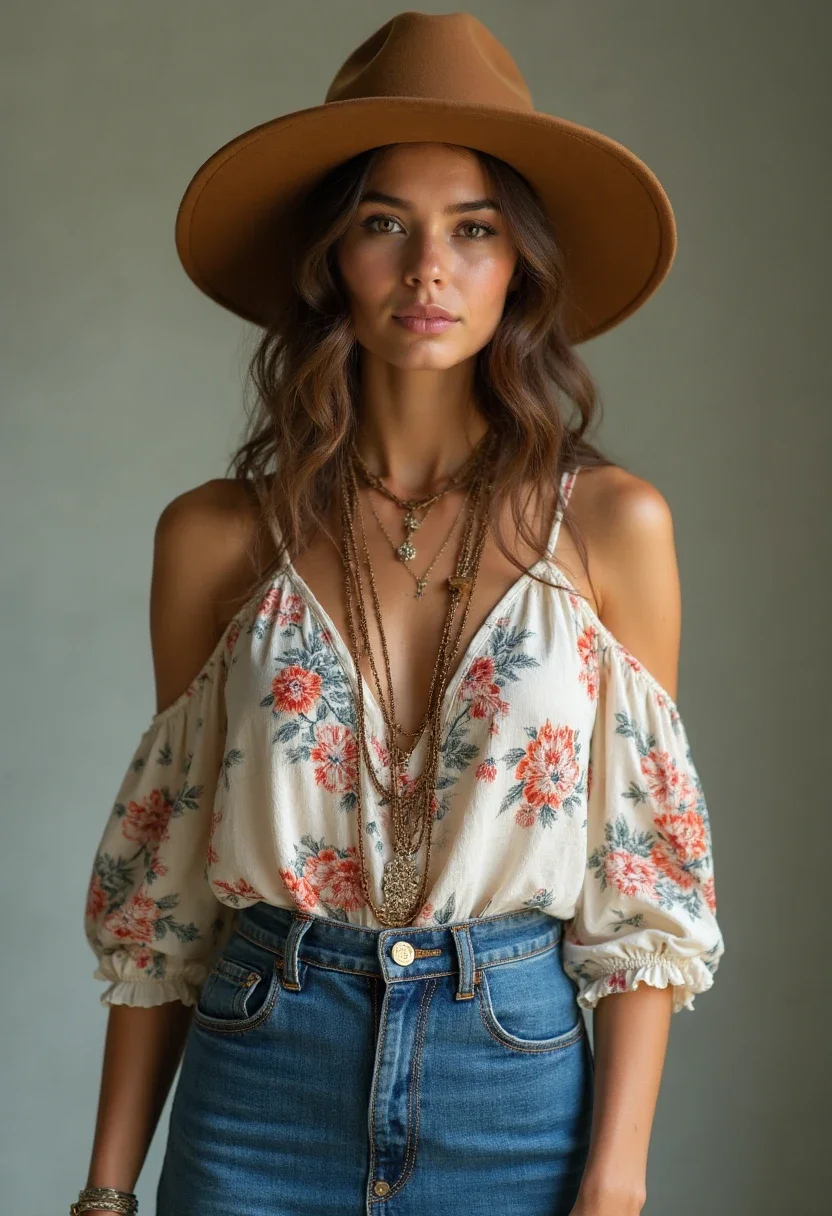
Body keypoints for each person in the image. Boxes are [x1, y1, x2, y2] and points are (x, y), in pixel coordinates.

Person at [74, 12, 725, 1216]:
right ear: (333, 261)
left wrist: (615, 1187)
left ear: (517, 264)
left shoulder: (613, 527)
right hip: (260, 1068)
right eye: (386, 225)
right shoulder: (218, 537)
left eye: (472, 229)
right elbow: (169, 895)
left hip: (514, 1086)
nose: (429, 268)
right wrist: (108, 1187)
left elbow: (645, 876)